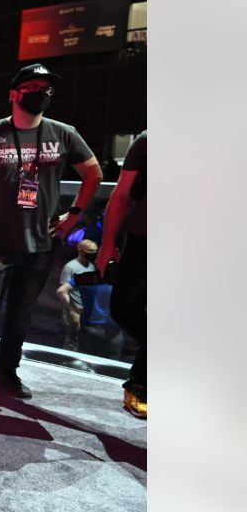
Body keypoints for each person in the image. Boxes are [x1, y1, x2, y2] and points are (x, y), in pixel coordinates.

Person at [0, 63, 103, 398]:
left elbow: (93, 173)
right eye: (33, 87)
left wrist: (73, 215)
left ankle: (7, 375)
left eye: (47, 88)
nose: (42, 93)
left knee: (21, 314)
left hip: (41, 242)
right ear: (14, 94)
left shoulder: (63, 134)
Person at [97, 131, 147, 418]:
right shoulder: (147, 140)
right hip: (142, 237)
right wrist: (107, 242)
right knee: (124, 308)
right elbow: (122, 194)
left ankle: (140, 385)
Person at [57, 239, 98, 350]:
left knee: (82, 342)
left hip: (86, 311)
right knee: (72, 342)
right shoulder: (70, 267)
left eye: (95, 251)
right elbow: (63, 291)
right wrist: (72, 309)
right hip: (74, 309)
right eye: (90, 251)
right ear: (81, 250)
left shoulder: (91, 266)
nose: (93, 253)